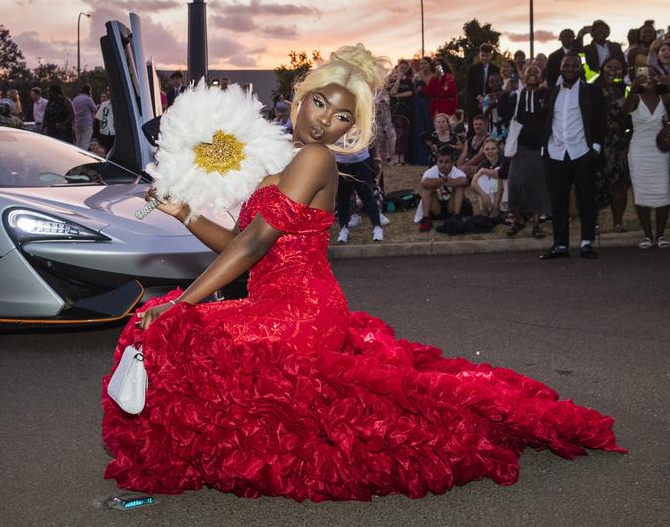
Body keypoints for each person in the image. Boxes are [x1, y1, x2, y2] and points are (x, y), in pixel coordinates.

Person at [103, 46, 622, 501]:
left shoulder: (314, 160)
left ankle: (203, 454)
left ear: (349, 130)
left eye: (342, 117)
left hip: (301, 310)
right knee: (180, 330)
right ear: (301, 97)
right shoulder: (277, 168)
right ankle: (215, 452)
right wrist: (185, 214)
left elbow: (253, 242)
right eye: (320, 103)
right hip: (279, 301)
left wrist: (182, 301)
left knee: (176, 325)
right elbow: (245, 247)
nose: (325, 120)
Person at [539, 54, 605, 260]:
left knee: (586, 199)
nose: (569, 68)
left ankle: (586, 242)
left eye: (574, 66)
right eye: (565, 65)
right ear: (560, 67)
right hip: (555, 153)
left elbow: (599, 121)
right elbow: (546, 120)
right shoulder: (552, 92)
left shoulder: (592, 91)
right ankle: (560, 245)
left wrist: (595, 147)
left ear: (580, 68)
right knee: (558, 201)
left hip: (582, 151)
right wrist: (544, 148)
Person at [624, 67, 670, 248]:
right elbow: (623, 113)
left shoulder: (665, 98)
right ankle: (647, 236)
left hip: (661, 149)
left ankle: (660, 235)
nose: (648, 79)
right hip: (639, 150)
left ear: (657, 78)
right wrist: (632, 90)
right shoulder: (635, 98)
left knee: (663, 190)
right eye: (643, 76)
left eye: (652, 75)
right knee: (641, 191)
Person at [505, 65, 550, 238]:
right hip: (520, 148)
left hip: (539, 147)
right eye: (529, 72)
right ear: (523, 77)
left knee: (537, 186)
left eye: (536, 71)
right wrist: (504, 94)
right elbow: (505, 113)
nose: (532, 74)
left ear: (541, 77)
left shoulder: (547, 95)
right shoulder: (517, 96)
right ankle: (518, 220)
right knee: (515, 184)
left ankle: (536, 224)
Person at [594, 57, 631, 232]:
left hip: (620, 144)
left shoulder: (627, 89)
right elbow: (587, 112)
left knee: (620, 184)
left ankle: (617, 222)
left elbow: (633, 115)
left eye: (617, 68)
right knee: (595, 183)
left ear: (623, 71)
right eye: (609, 66)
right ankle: (592, 224)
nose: (613, 70)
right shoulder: (593, 87)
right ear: (602, 68)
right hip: (598, 142)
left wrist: (622, 125)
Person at [333, 145, 384, 244]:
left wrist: (376, 160)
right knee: (343, 197)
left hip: (361, 160)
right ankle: (344, 228)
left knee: (366, 195)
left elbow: (371, 141)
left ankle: (377, 227)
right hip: (340, 161)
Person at [417, 144, 468, 231]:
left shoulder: (456, 172)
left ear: (453, 162)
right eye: (440, 162)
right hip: (436, 207)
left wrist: (438, 183)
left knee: (459, 187)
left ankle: (456, 216)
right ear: (437, 162)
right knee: (427, 188)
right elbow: (424, 183)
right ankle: (425, 219)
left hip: (451, 207)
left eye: (447, 162)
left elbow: (464, 181)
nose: (443, 165)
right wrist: (443, 180)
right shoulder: (432, 171)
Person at [468, 139, 507, 218]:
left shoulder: (503, 161)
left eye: (493, 149)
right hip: (487, 197)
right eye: (487, 149)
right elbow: (473, 183)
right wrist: (483, 195)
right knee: (481, 177)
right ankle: (485, 207)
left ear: (498, 149)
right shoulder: (483, 163)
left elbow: (500, 175)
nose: (490, 152)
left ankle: (496, 207)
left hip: (502, 197)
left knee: (497, 172)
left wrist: (484, 170)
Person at [387, 60, 414, 164]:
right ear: (397, 68)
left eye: (404, 68)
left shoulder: (409, 81)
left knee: (405, 134)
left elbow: (410, 93)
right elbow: (392, 91)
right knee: (398, 134)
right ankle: (396, 158)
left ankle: (402, 159)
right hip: (396, 110)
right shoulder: (392, 80)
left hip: (406, 110)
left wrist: (398, 95)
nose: (402, 69)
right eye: (401, 67)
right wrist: (398, 78)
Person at [465, 43, 499, 120]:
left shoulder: (496, 69)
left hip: (490, 102)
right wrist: (479, 98)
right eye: (482, 55)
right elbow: (470, 87)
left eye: (487, 55)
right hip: (474, 102)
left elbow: (496, 86)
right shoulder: (473, 69)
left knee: (488, 125)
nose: (484, 58)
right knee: (474, 126)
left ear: (491, 55)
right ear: (479, 55)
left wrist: (486, 99)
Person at [457, 114, 489, 178]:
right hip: (468, 167)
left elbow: (480, 156)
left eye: (480, 124)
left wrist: (464, 167)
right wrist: (458, 167)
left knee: (464, 170)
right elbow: (463, 155)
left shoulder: (488, 139)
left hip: (484, 166)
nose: (477, 126)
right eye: (476, 124)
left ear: (486, 125)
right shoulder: (469, 140)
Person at [72, 85, 98, 150]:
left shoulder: (75, 99)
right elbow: (95, 110)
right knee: (85, 143)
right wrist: (91, 98)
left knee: (78, 142)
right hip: (87, 123)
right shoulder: (88, 99)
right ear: (89, 91)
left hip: (77, 123)